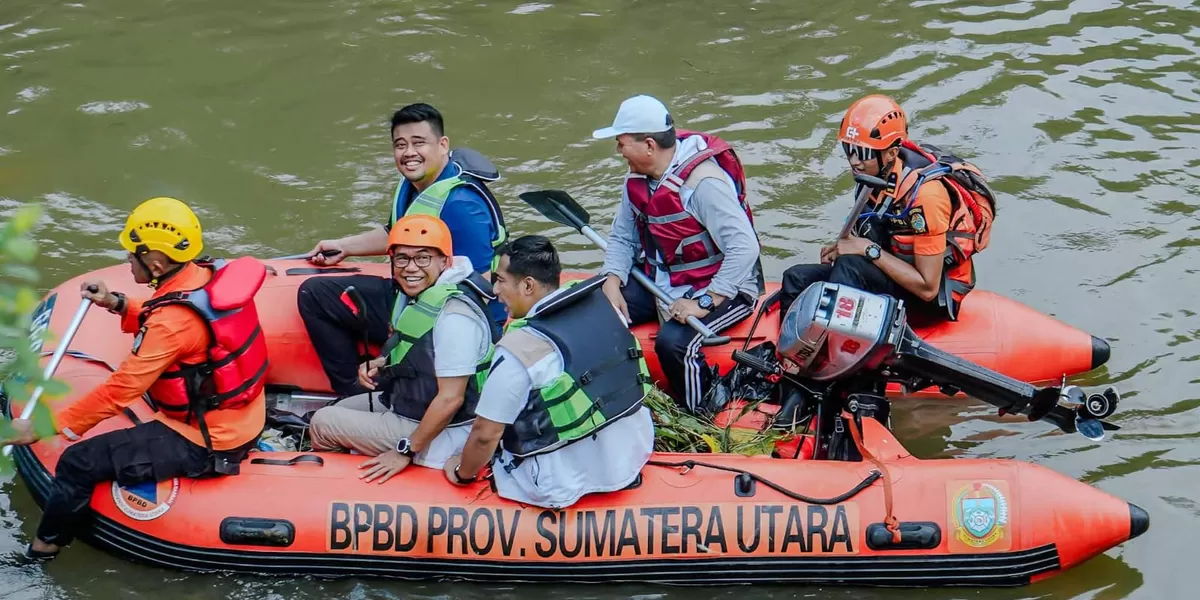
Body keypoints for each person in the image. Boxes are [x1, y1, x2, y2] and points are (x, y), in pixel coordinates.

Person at [0, 197, 269, 560]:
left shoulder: (172, 324)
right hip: (241, 416)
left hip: (207, 441)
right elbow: (178, 320)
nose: (128, 259)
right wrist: (118, 303)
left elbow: (122, 390)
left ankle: (42, 551)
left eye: (132, 254)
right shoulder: (205, 275)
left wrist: (42, 427)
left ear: (156, 262)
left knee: (77, 462)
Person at [297, 102, 507, 397]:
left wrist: (413, 326)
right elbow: (394, 232)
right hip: (413, 289)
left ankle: (360, 396)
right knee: (316, 294)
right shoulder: (416, 184)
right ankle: (355, 389)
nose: (408, 152)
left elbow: (480, 284)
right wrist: (344, 247)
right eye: (400, 145)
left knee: (316, 297)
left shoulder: (461, 206)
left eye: (418, 143)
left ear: (443, 144)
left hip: (452, 314)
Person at [444, 235, 655, 508]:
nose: (494, 290)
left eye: (500, 280)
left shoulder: (518, 350)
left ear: (528, 285)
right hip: (632, 455)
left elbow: (485, 434)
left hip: (558, 485)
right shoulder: (607, 308)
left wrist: (463, 472)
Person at [592, 94, 763, 414]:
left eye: (621, 142)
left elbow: (745, 247)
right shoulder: (637, 179)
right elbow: (622, 238)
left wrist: (706, 302)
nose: (618, 151)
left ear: (648, 145)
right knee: (596, 308)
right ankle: (618, 398)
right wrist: (612, 278)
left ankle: (699, 413)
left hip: (727, 285)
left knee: (674, 344)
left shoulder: (703, 185)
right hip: (666, 274)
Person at [307, 214, 497, 485]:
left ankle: (346, 485)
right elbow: (424, 351)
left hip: (444, 430)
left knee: (322, 423)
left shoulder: (455, 317)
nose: (411, 268)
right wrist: (382, 363)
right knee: (339, 406)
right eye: (402, 259)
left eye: (423, 258)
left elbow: (450, 400)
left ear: (445, 261)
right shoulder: (428, 295)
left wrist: (405, 450)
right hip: (408, 404)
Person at [778, 94, 996, 321]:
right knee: (796, 278)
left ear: (891, 152)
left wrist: (867, 250)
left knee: (849, 266)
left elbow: (927, 287)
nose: (853, 161)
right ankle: (788, 353)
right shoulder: (872, 178)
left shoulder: (926, 198)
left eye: (862, 153)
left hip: (931, 299)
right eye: (848, 150)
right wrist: (842, 246)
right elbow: (866, 233)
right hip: (890, 273)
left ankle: (831, 348)